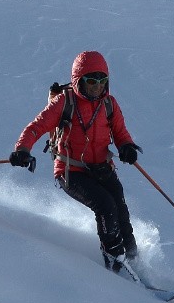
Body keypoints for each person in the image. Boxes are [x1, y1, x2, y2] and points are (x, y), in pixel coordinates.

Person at [10, 51, 144, 275]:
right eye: (91, 81)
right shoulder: (65, 103)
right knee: (105, 206)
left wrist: (127, 147)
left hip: (102, 168)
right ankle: (114, 261)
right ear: (78, 80)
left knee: (120, 210)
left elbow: (120, 133)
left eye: (102, 81)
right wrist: (22, 150)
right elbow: (36, 127)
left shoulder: (109, 104)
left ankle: (135, 262)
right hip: (71, 171)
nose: (97, 86)